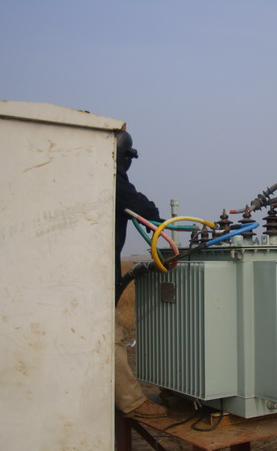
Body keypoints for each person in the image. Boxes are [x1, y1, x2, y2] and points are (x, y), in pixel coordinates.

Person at [114, 130, 168, 418]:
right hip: (92, 274)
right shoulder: (110, 178)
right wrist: (156, 216)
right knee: (109, 335)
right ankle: (131, 401)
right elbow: (141, 208)